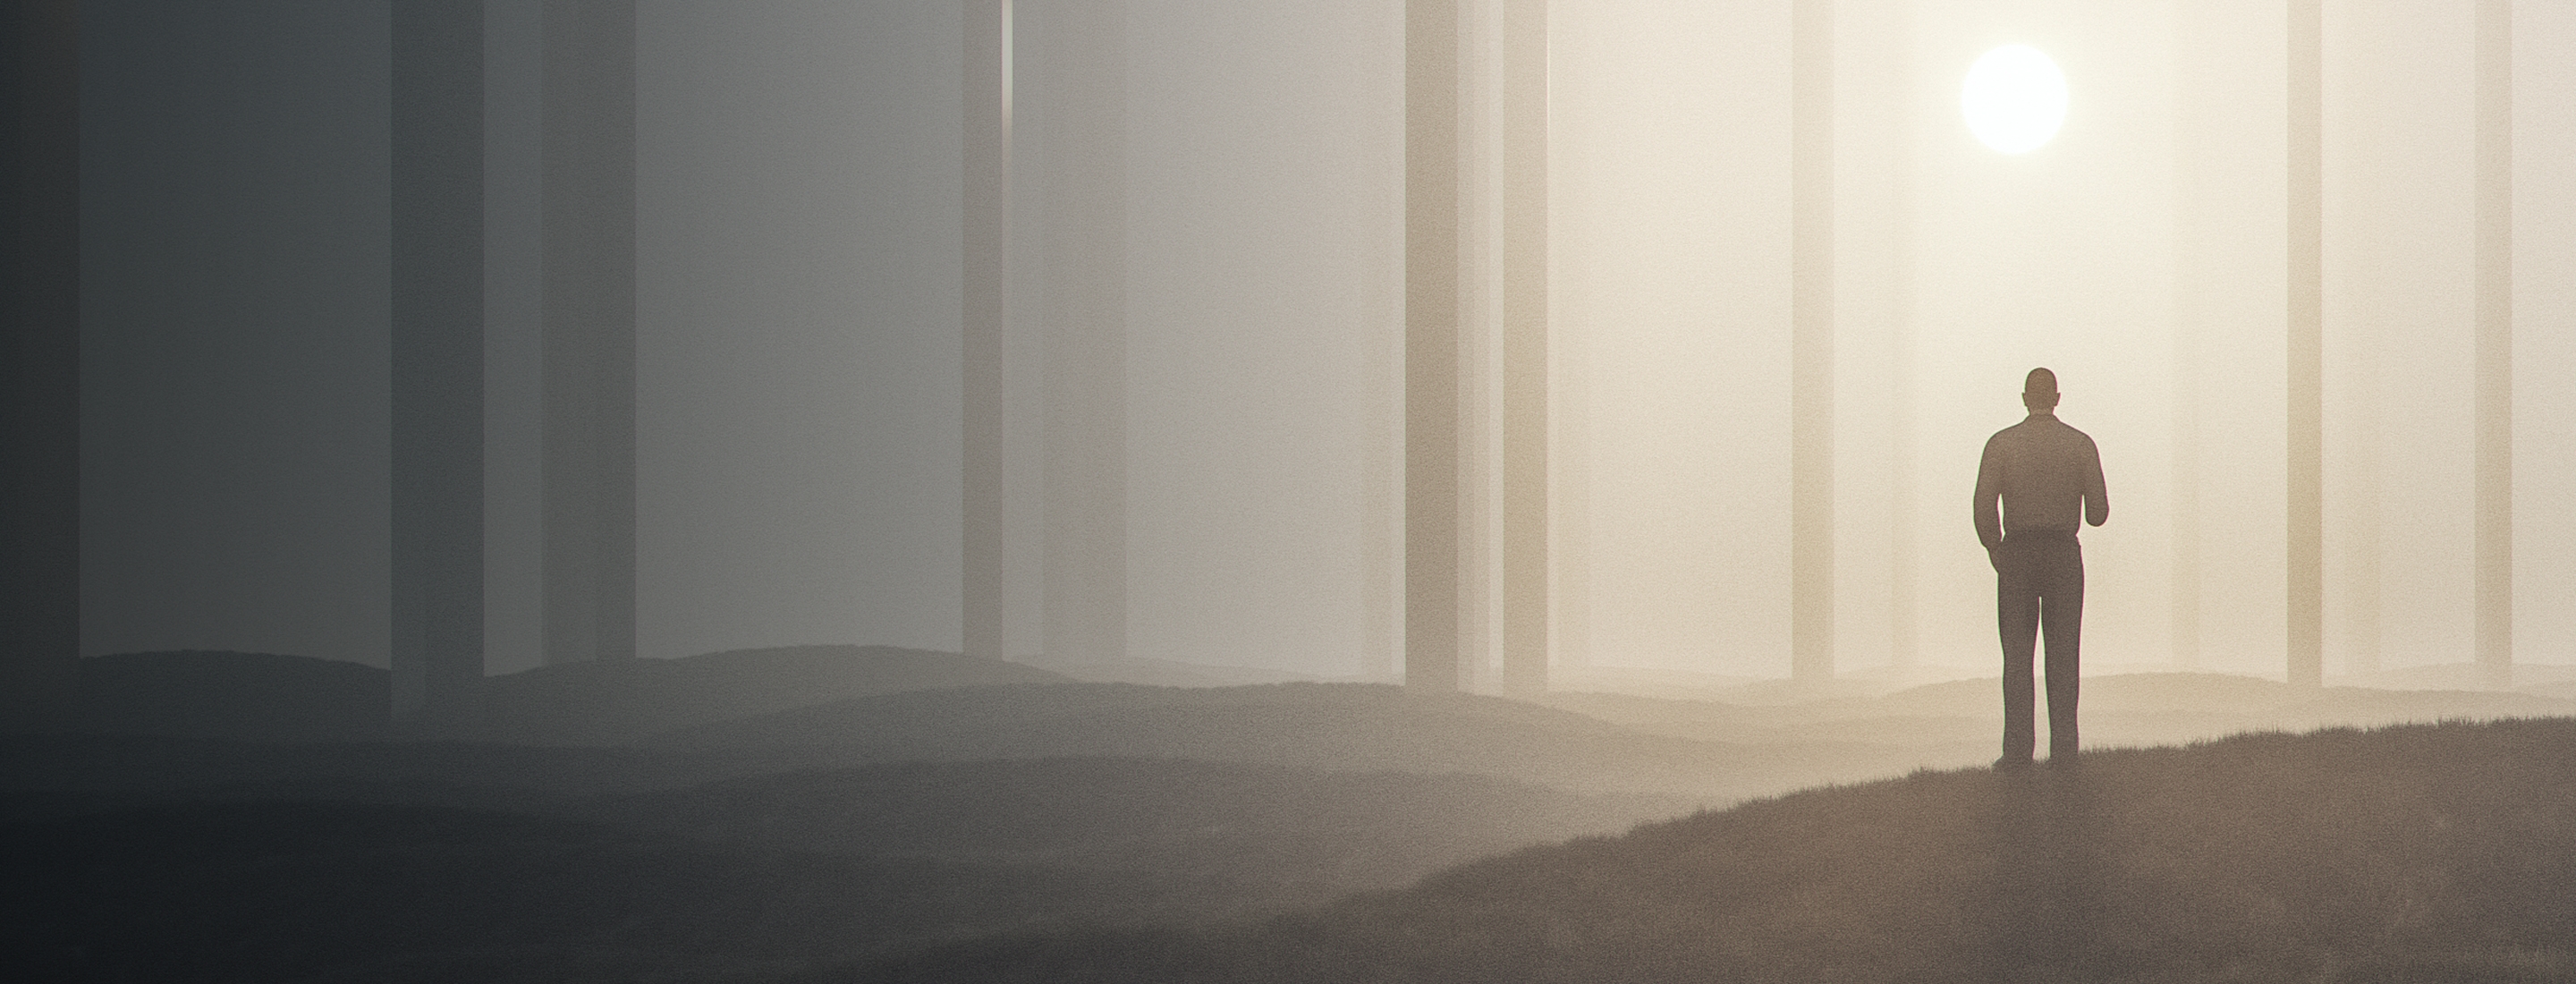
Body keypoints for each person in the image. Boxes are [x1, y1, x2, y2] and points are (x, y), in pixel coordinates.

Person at [1975, 368, 2107, 768]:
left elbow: (1984, 506)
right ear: (2058, 397)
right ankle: (2065, 752)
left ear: (2023, 398)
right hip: (2063, 555)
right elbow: (2099, 514)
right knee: (2064, 655)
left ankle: (2017, 753)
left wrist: (1995, 549)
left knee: (2016, 657)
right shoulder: (2080, 444)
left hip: (2016, 554)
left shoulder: (2001, 444)